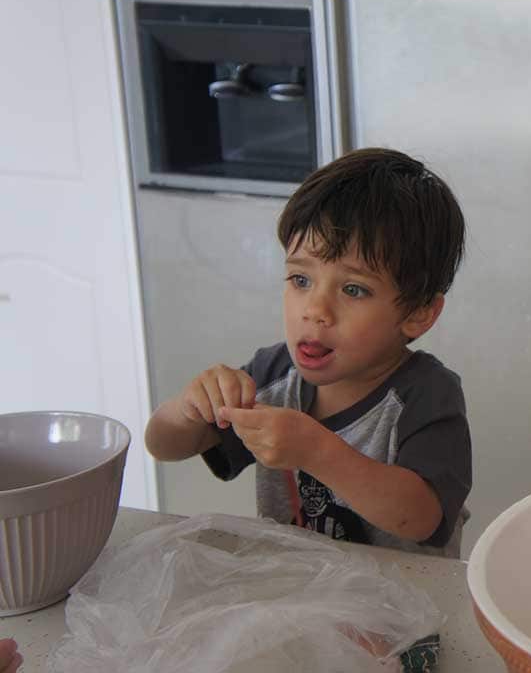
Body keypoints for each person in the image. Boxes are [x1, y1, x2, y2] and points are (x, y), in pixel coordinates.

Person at [146, 148, 472, 557]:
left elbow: (423, 518)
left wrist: (317, 451)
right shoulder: (274, 375)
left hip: (403, 611)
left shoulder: (426, 394)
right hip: (300, 598)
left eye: (353, 289)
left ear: (419, 313)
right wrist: (189, 408)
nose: (315, 310)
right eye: (300, 279)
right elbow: (163, 445)